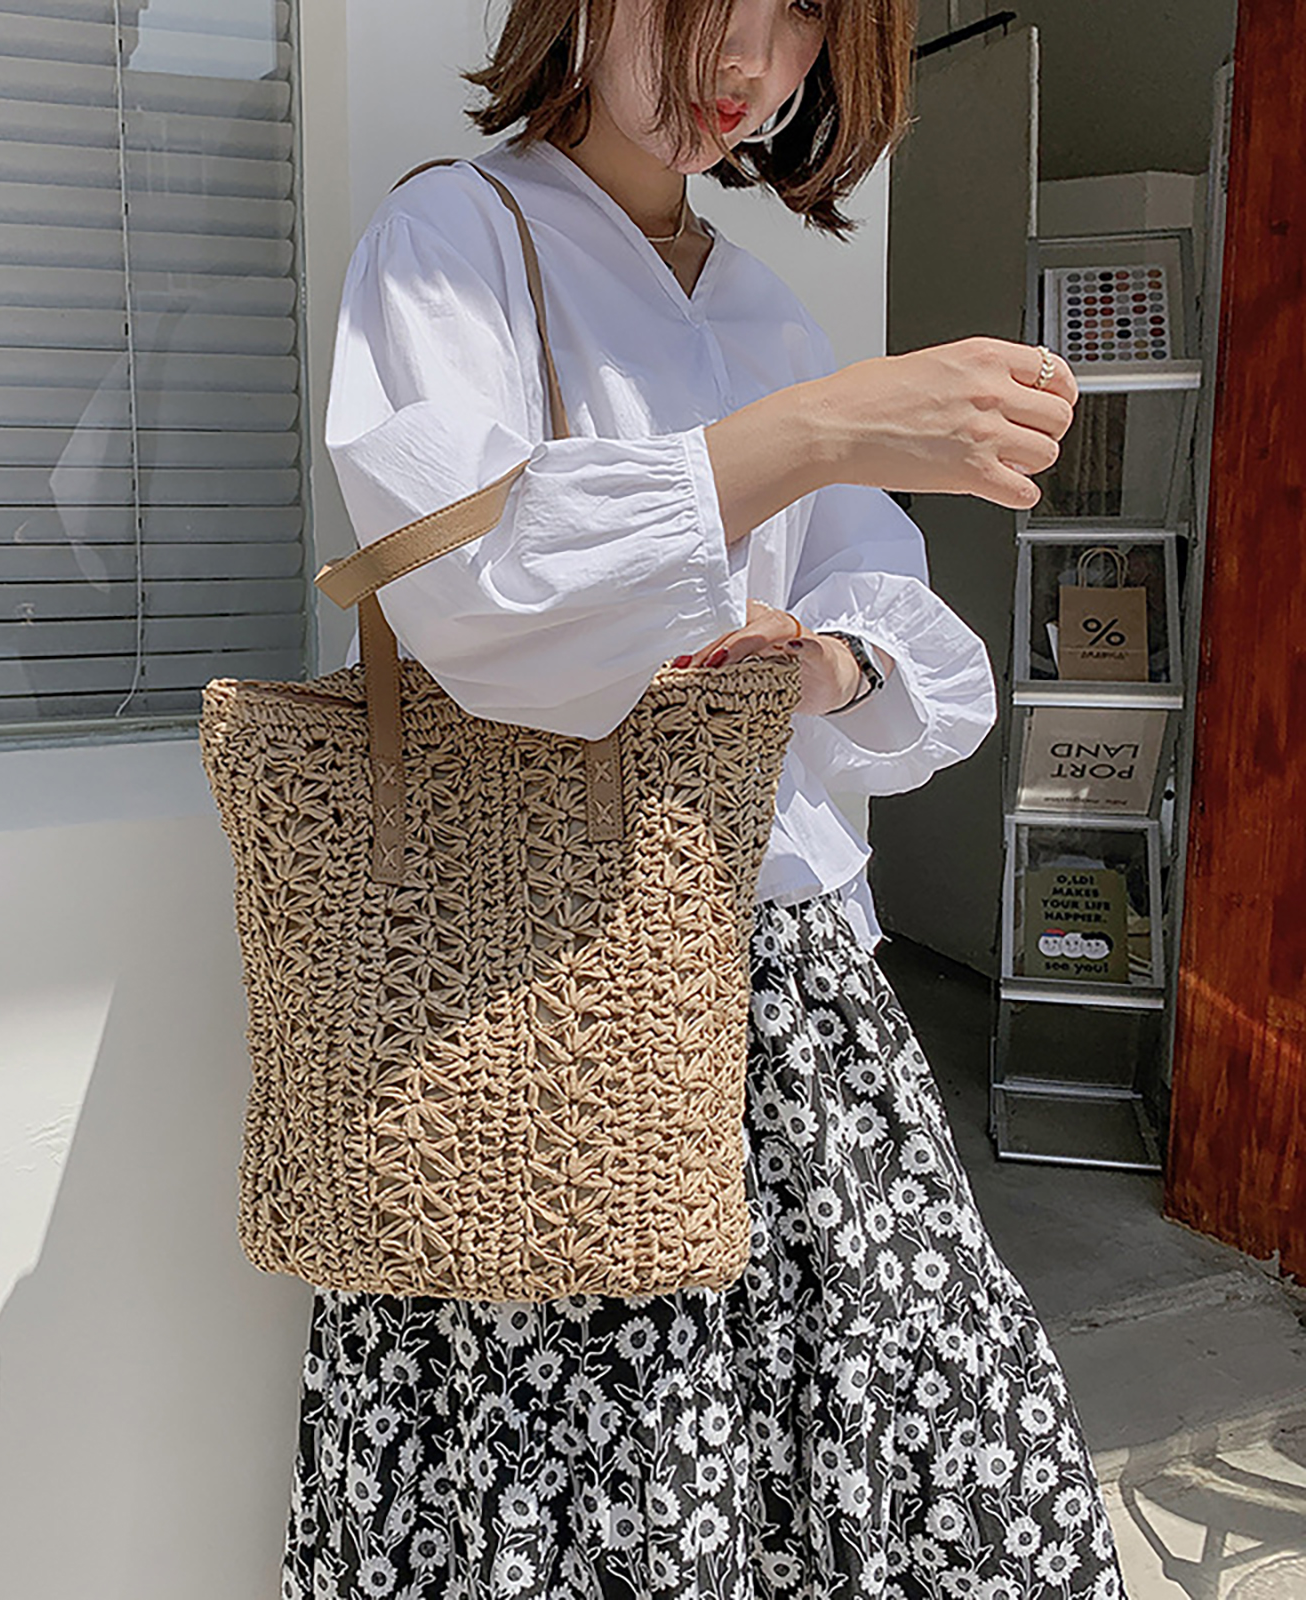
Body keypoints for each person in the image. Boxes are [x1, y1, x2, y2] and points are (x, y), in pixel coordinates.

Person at [281, 1, 1124, 1596]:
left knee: (924, 1457)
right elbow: (469, 587)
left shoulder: (761, 307)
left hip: (791, 988)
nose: (747, 59)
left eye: (803, 12)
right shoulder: (453, 239)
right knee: (598, 1490)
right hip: (527, 993)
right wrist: (825, 430)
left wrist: (827, 665)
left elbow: (909, 636)